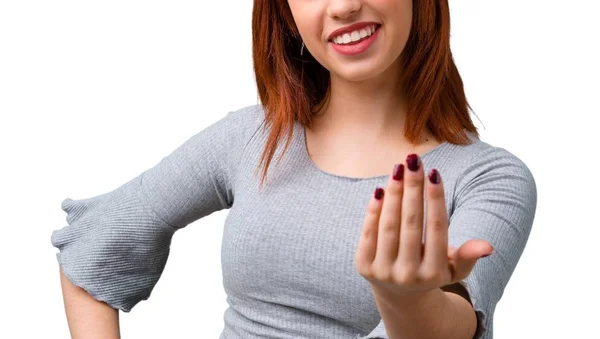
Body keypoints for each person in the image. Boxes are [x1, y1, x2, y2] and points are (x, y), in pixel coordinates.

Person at [50, 0, 537, 338]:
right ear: (285, 14)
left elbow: (456, 325)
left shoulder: (489, 178)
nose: (343, 6)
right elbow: (95, 246)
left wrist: (406, 300)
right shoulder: (251, 138)